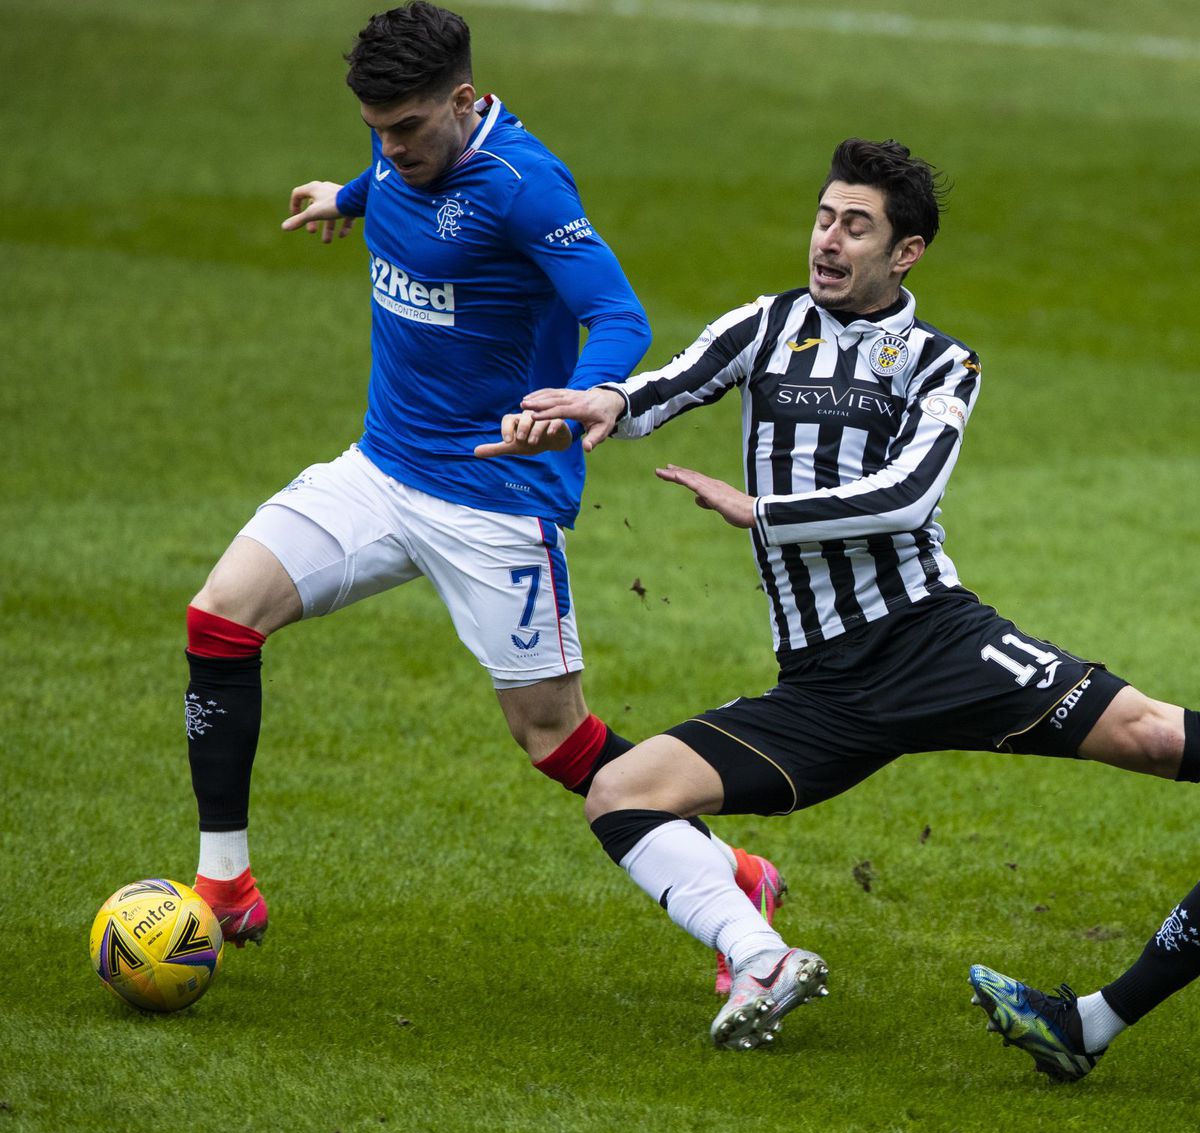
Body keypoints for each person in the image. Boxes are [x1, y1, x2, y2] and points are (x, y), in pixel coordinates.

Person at [482, 137, 1199, 1065]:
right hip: (823, 689)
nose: (828, 240)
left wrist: (764, 510)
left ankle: (1092, 1021)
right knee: (622, 795)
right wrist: (602, 404)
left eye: (855, 226)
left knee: (1150, 736)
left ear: (906, 252)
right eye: (824, 218)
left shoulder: (941, 363)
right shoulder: (767, 325)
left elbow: (907, 495)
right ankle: (762, 957)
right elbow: (674, 381)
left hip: (937, 641)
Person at [183, 1, 783, 975]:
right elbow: (390, 180)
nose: (391, 148)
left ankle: (731, 874)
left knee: (553, 737)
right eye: (374, 133)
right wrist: (346, 195)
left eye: (408, 130)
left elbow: (617, 313)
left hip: (493, 500)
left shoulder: (524, 186)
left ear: (463, 102)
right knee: (219, 618)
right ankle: (224, 889)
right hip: (381, 470)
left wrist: (591, 393)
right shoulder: (399, 148)